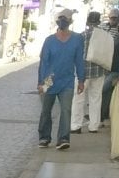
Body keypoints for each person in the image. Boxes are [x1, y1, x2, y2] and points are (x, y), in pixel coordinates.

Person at [37, 9, 85, 150]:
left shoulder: (77, 39)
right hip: (49, 80)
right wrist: (41, 83)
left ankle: (63, 138)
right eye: (61, 18)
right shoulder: (49, 40)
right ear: (57, 21)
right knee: (46, 110)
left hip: (67, 80)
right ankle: (44, 137)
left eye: (66, 19)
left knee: (66, 110)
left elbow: (79, 61)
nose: (63, 21)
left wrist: (81, 80)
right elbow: (43, 62)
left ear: (71, 22)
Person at [70, 11, 106, 134]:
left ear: (87, 22)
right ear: (99, 22)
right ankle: (93, 126)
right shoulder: (105, 37)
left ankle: (76, 126)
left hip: (82, 73)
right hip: (99, 72)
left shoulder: (81, 36)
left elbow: (75, 55)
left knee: (78, 99)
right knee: (95, 99)